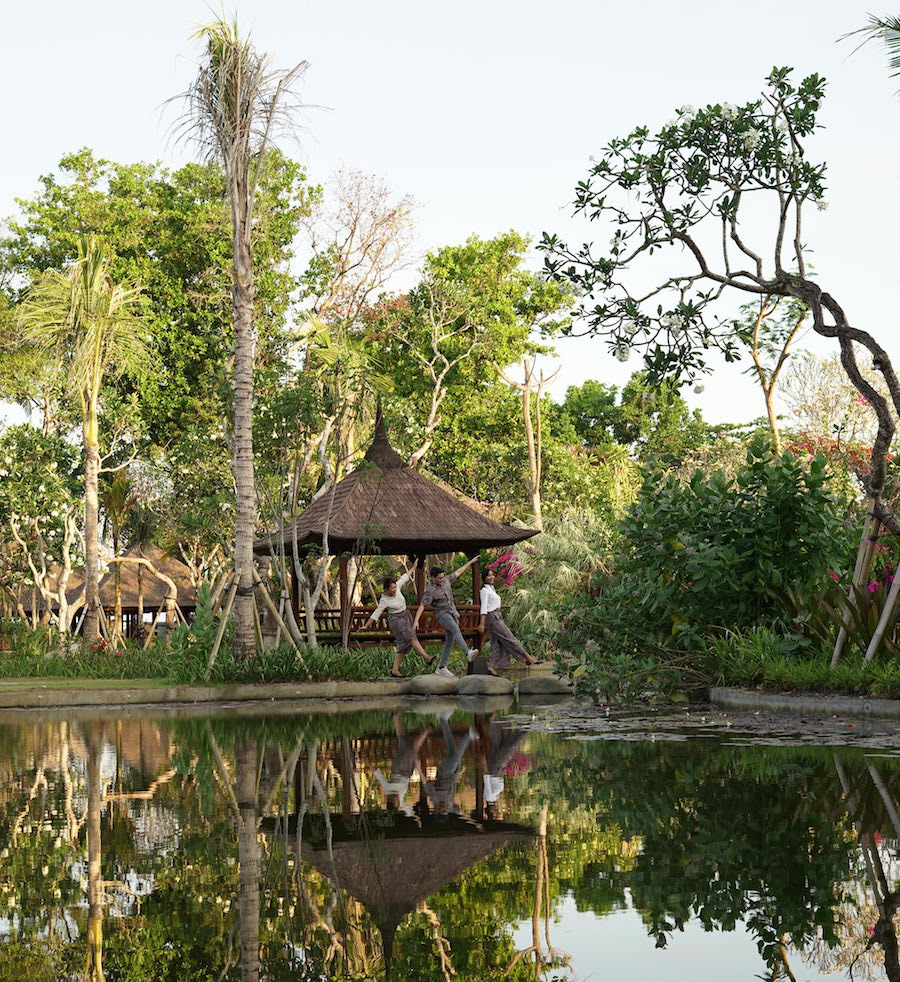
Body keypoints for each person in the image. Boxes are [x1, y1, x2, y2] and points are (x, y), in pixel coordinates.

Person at [364, 560, 435, 678]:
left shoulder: (398, 586)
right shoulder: (384, 600)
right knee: (411, 637)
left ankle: (394, 671)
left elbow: (405, 576)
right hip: (396, 620)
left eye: (395, 587)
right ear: (386, 589)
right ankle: (427, 657)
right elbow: (376, 614)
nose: (394, 590)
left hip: (405, 616)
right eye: (392, 588)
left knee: (403, 643)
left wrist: (414, 566)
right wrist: (366, 626)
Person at [413, 557, 480, 678]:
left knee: (449, 641)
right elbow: (422, 605)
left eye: (443, 577)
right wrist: (416, 621)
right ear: (433, 578)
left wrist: (471, 561)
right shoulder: (430, 590)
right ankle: (467, 652)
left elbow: (458, 572)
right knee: (455, 629)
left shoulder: (446, 580)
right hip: (442, 614)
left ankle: (441, 667)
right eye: (439, 578)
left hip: (453, 612)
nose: (442, 579)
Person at [479, 567, 538, 671]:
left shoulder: (491, 589)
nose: (491, 577)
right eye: (489, 575)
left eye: (492, 575)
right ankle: (527, 657)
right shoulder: (484, 590)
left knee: (497, 642)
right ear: (484, 578)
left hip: (498, 615)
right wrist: (482, 624)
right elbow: (484, 607)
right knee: (508, 637)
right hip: (492, 617)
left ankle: (493, 666)